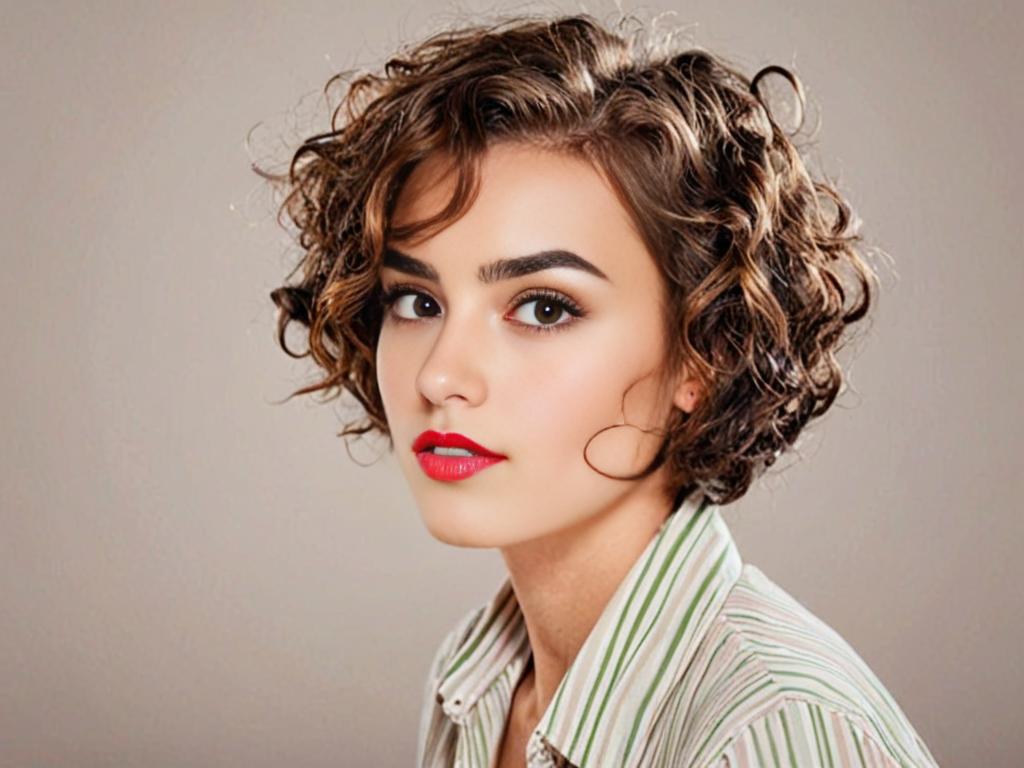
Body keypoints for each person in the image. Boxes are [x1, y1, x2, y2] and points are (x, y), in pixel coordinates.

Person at [260, 11, 940, 768]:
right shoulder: (478, 683)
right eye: (417, 302)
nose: (439, 375)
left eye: (544, 308)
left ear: (702, 352)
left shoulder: (777, 734)